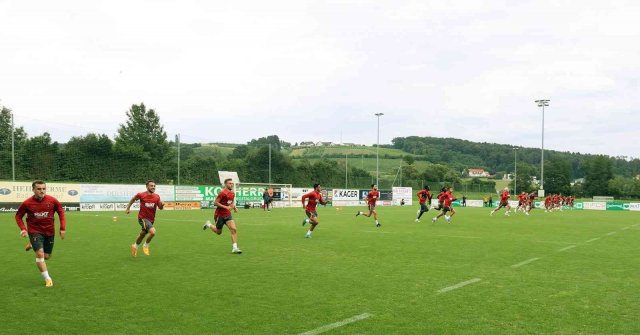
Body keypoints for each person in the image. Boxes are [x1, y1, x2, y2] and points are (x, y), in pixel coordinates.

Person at [15, 180, 66, 287]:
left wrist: (62, 228)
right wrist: (23, 229)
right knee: (40, 254)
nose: (42, 191)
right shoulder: (27, 203)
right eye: (39, 189)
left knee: (47, 256)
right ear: (33, 190)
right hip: (35, 231)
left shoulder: (52, 201)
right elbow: (18, 216)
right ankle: (48, 279)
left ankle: (32, 243)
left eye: (43, 188)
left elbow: (61, 212)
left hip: (49, 232)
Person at [203, 178, 242, 254]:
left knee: (233, 229)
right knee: (218, 232)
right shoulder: (222, 193)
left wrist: (234, 207)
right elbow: (215, 203)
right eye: (230, 183)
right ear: (226, 184)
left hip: (227, 214)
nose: (231, 184)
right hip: (219, 215)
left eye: (232, 183)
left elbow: (231, 201)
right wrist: (226, 207)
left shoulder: (232, 193)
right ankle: (209, 224)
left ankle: (234, 248)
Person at [126, 179, 164, 257]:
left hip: (151, 220)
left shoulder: (157, 197)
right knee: (153, 232)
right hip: (142, 218)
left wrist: (162, 205)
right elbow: (133, 199)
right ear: (147, 187)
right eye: (151, 186)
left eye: (154, 186)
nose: (153, 187)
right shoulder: (141, 195)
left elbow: (160, 207)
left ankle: (135, 246)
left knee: (142, 234)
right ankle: (146, 245)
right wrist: (128, 208)